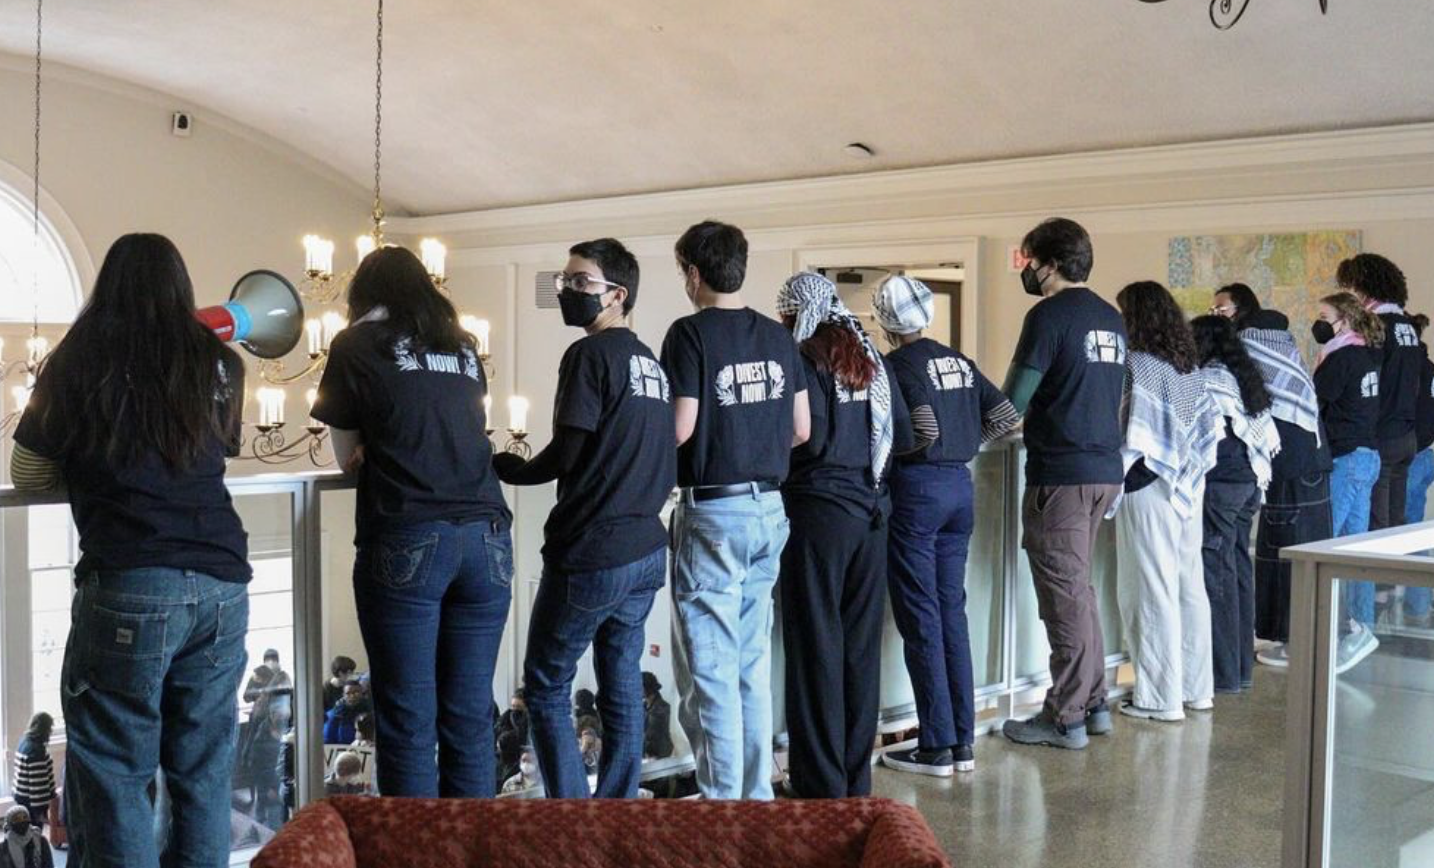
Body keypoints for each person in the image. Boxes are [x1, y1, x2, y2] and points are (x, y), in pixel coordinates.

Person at [9, 233, 251, 868]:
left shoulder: (79, 358)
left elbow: (27, 472)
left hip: (130, 579)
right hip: (223, 583)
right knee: (203, 770)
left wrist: (91, 472)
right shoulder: (219, 363)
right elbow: (217, 452)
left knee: (117, 770)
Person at [312, 246, 513, 798]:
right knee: (470, 718)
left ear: (363, 295)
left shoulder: (354, 344)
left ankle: (415, 843)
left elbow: (344, 456)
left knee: (406, 719)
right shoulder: (462, 345)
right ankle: (469, 843)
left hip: (409, 535)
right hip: (488, 539)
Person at [493, 238, 675, 799]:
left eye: (580, 282)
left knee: (547, 683)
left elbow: (569, 450)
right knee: (620, 682)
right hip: (646, 548)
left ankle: (573, 815)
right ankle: (616, 807)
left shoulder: (589, 355)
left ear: (616, 295)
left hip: (594, 548)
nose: (567, 290)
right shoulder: (650, 363)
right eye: (564, 281)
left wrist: (511, 468)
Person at [660, 221, 811, 799]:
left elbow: (681, 427)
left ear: (694, 274)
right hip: (769, 510)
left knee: (711, 669)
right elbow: (801, 429)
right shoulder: (777, 337)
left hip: (714, 514)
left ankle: (724, 806)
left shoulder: (689, 333)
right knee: (750, 662)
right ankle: (755, 797)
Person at [875, 275, 1021, 777]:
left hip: (919, 493)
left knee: (921, 617)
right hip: (961, 487)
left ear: (886, 322)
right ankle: (962, 740)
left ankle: (935, 745)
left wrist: (911, 453)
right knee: (951, 612)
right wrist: (964, 444)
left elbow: (923, 429)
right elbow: (1006, 416)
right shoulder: (957, 360)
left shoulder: (897, 366)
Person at [774, 272, 912, 798]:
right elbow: (902, 432)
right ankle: (855, 778)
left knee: (815, 649)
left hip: (817, 517)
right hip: (871, 515)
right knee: (859, 652)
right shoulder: (868, 355)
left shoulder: (803, 356)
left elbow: (805, 439)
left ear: (795, 313)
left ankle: (819, 782)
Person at [1000, 219, 1126, 750]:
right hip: (1105, 473)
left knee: (1063, 599)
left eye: (1030, 260)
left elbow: (1013, 400)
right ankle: (1094, 703)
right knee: (1080, 591)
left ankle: (1064, 716)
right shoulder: (1111, 318)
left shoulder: (1047, 316)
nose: (1027, 270)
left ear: (1049, 264)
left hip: (1061, 478)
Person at [1112, 283, 1221, 721]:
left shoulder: (1135, 365)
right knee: (1189, 586)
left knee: (1150, 590)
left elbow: (1120, 426)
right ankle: (1196, 690)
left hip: (1146, 483)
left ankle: (1159, 698)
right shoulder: (1187, 365)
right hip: (1188, 483)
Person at [1211, 284, 1332, 668]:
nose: (1217, 316)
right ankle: (1297, 636)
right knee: (1300, 550)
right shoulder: (1286, 352)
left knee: (1286, 554)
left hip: (1290, 466)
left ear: (1242, 312)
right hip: (1310, 463)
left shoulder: (1251, 348)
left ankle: (1294, 640)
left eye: (1222, 310)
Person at [1191, 316, 1281, 694]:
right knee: (1239, 571)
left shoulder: (1207, 378)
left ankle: (1223, 675)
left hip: (1221, 485)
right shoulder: (1242, 377)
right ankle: (1242, 668)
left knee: (1217, 576)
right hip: (1249, 482)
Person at [1312, 292, 1385, 668]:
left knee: (1328, 549)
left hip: (1346, 458)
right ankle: (1360, 629)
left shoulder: (1341, 358)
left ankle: (1337, 630)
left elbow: (1315, 400)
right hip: (1367, 456)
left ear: (1344, 321)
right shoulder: (1367, 354)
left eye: (1325, 317)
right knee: (1356, 551)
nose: (1319, 324)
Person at [1337, 255, 1421, 539]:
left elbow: (1364, 380)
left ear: (1364, 287)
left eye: (1351, 287)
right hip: (1406, 434)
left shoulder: (1375, 327)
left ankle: (1371, 573)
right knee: (1396, 524)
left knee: (1375, 529)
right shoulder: (1406, 326)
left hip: (1381, 435)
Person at [1403, 314, 1434, 625]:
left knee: (1406, 530)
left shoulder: (1407, 369)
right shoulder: (1430, 368)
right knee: (1414, 529)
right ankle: (1418, 604)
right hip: (1427, 454)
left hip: (1411, 456)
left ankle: (1416, 604)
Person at [11, 714, 55, 833]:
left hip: (20, 794)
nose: (51, 732)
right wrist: (41, 810)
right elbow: (38, 785)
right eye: (50, 728)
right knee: (34, 832)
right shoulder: (36, 751)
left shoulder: (24, 741)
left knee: (24, 828)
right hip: (31, 800)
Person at [641, 672, 674, 760]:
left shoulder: (663, 708)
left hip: (660, 756)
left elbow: (653, 734)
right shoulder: (642, 708)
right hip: (646, 756)